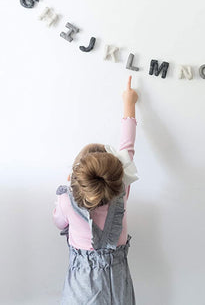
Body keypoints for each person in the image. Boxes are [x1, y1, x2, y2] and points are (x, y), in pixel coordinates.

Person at [53, 75, 139, 304]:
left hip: (81, 286)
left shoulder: (65, 201)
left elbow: (59, 223)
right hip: (117, 283)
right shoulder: (121, 192)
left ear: (75, 177)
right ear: (118, 176)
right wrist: (129, 103)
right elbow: (127, 149)